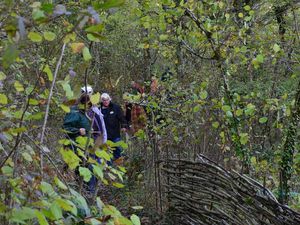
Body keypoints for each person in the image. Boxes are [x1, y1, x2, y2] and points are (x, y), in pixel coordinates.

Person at [63, 86, 107, 194]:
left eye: (90, 95)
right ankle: (84, 196)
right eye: (85, 95)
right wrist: (78, 131)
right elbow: (66, 128)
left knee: (94, 173)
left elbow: (102, 129)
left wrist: (103, 146)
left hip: (95, 148)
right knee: (83, 174)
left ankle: (90, 196)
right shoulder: (74, 111)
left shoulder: (95, 110)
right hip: (80, 149)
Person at [100, 93, 127, 162]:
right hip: (104, 136)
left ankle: (119, 165)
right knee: (107, 152)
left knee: (118, 149)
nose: (106, 101)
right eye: (104, 100)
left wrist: (123, 126)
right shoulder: (98, 109)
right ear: (101, 100)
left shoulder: (116, 107)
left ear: (109, 99)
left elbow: (122, 118)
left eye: (107, 100)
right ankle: (109, 167)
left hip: (115, 134)